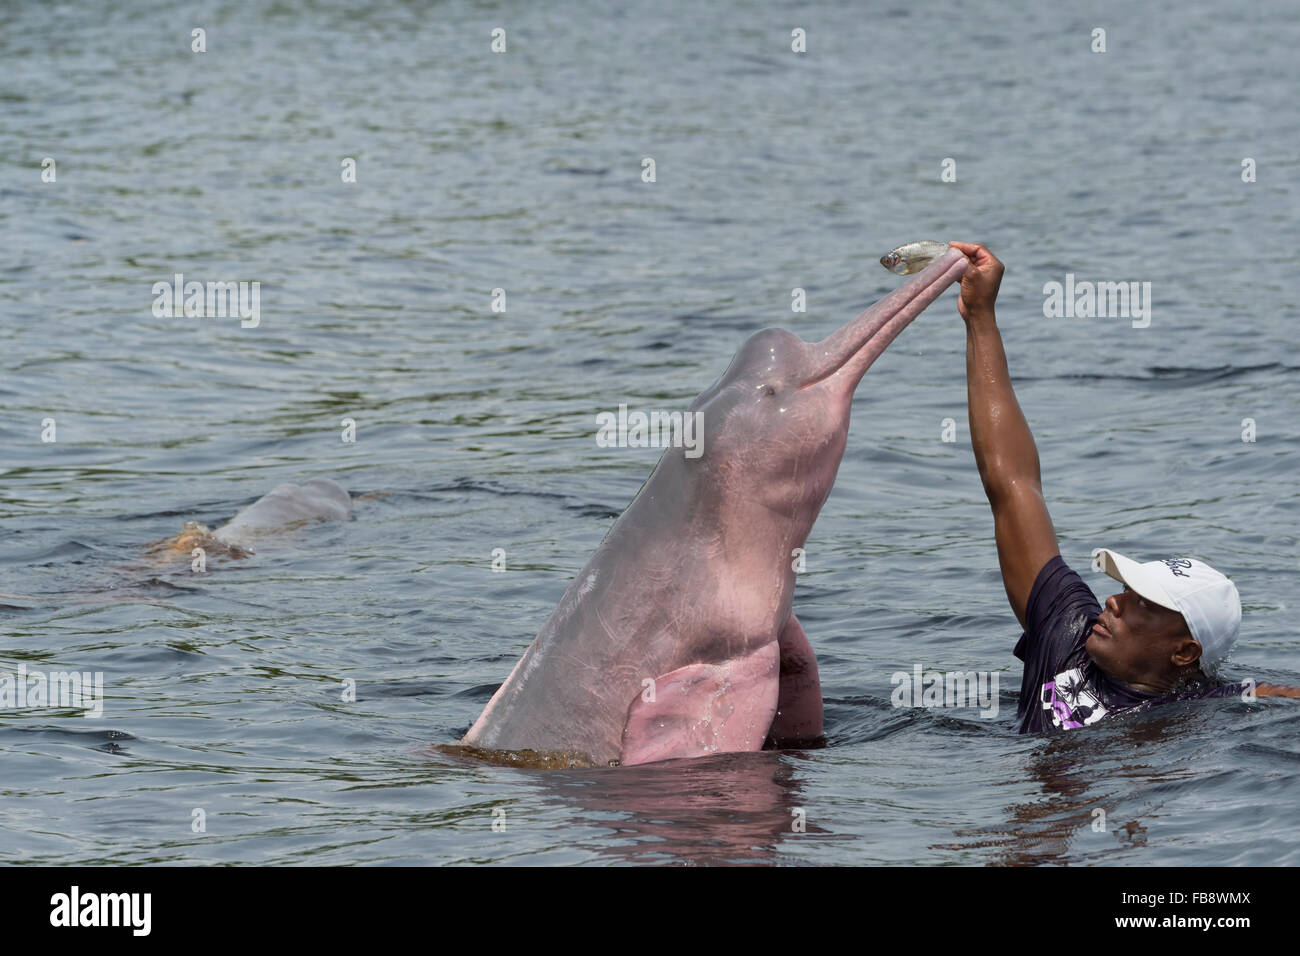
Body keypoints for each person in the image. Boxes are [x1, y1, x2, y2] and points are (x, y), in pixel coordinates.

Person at [952, 241, 1299, 732]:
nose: (1111, 602)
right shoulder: (1068, 634)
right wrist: (981, 316)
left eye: (1141, 603)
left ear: (1184, 652)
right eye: (1123, 590)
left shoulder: (1207, 713)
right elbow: (1012, 485)